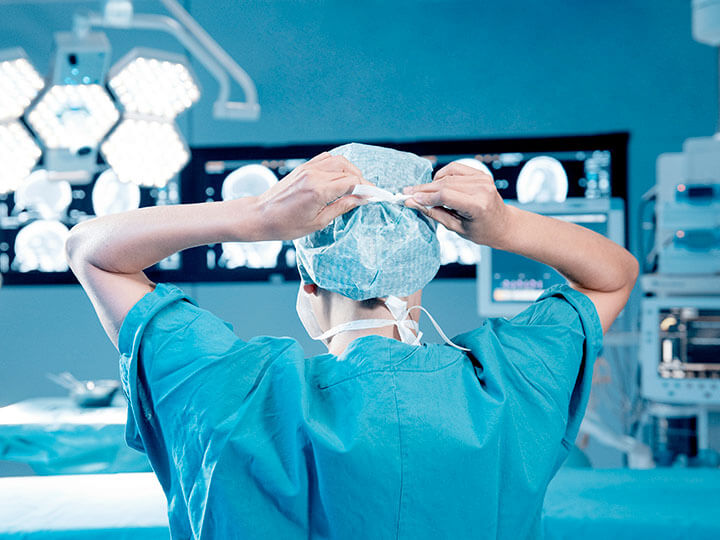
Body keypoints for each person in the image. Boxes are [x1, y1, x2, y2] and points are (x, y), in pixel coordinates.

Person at [66, 143, 638, 539]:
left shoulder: (227, 391)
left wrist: (256, 216)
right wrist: (506, 225)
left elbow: (91, 251)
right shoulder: (511, 385)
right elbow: (613, 274)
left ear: (307, 280)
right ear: (421, 281)